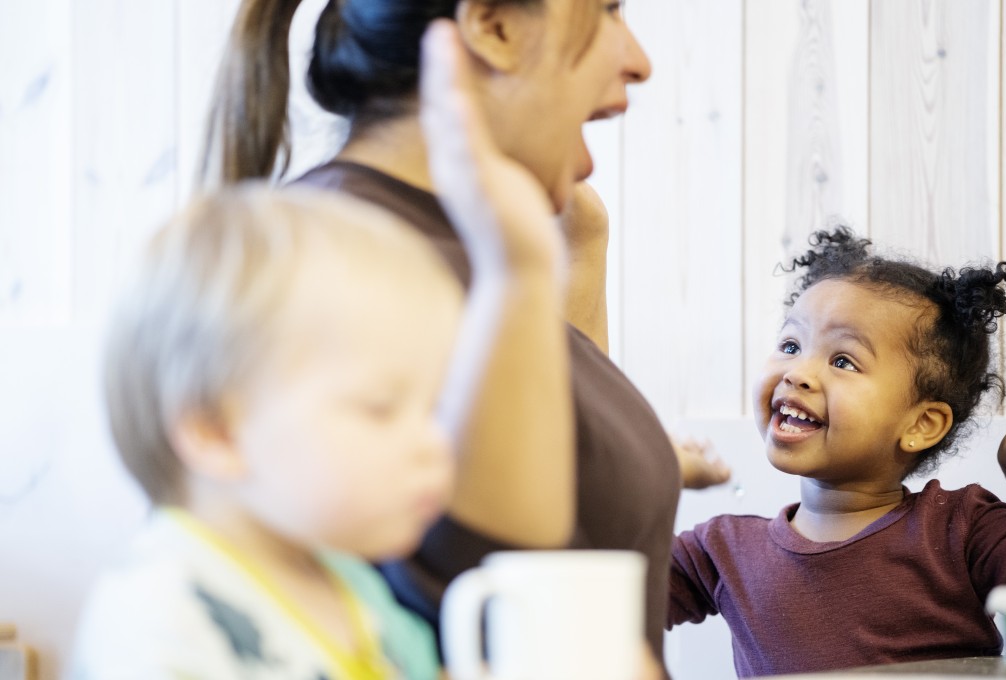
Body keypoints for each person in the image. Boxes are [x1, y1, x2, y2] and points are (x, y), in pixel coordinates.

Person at [201, 0, 698, 666]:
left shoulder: (471, 248)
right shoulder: (347, 262)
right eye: (606, 9)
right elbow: (493, 582)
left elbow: (568, 467)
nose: (637, 60)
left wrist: (578, 252)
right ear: (492, 26)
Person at [69, 20, 572, 678]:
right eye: (380, 409)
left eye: (430, 409)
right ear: (216, 429)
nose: (434, 445)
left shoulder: (346, 583)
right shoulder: (162, 620)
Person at [668, 228, 1006, 677]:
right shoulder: (719, 552)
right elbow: (599, 593)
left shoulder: (958, 528)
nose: (797, 373)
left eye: (842, 360)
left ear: (921, 425)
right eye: (791, 346)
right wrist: (652, 469)